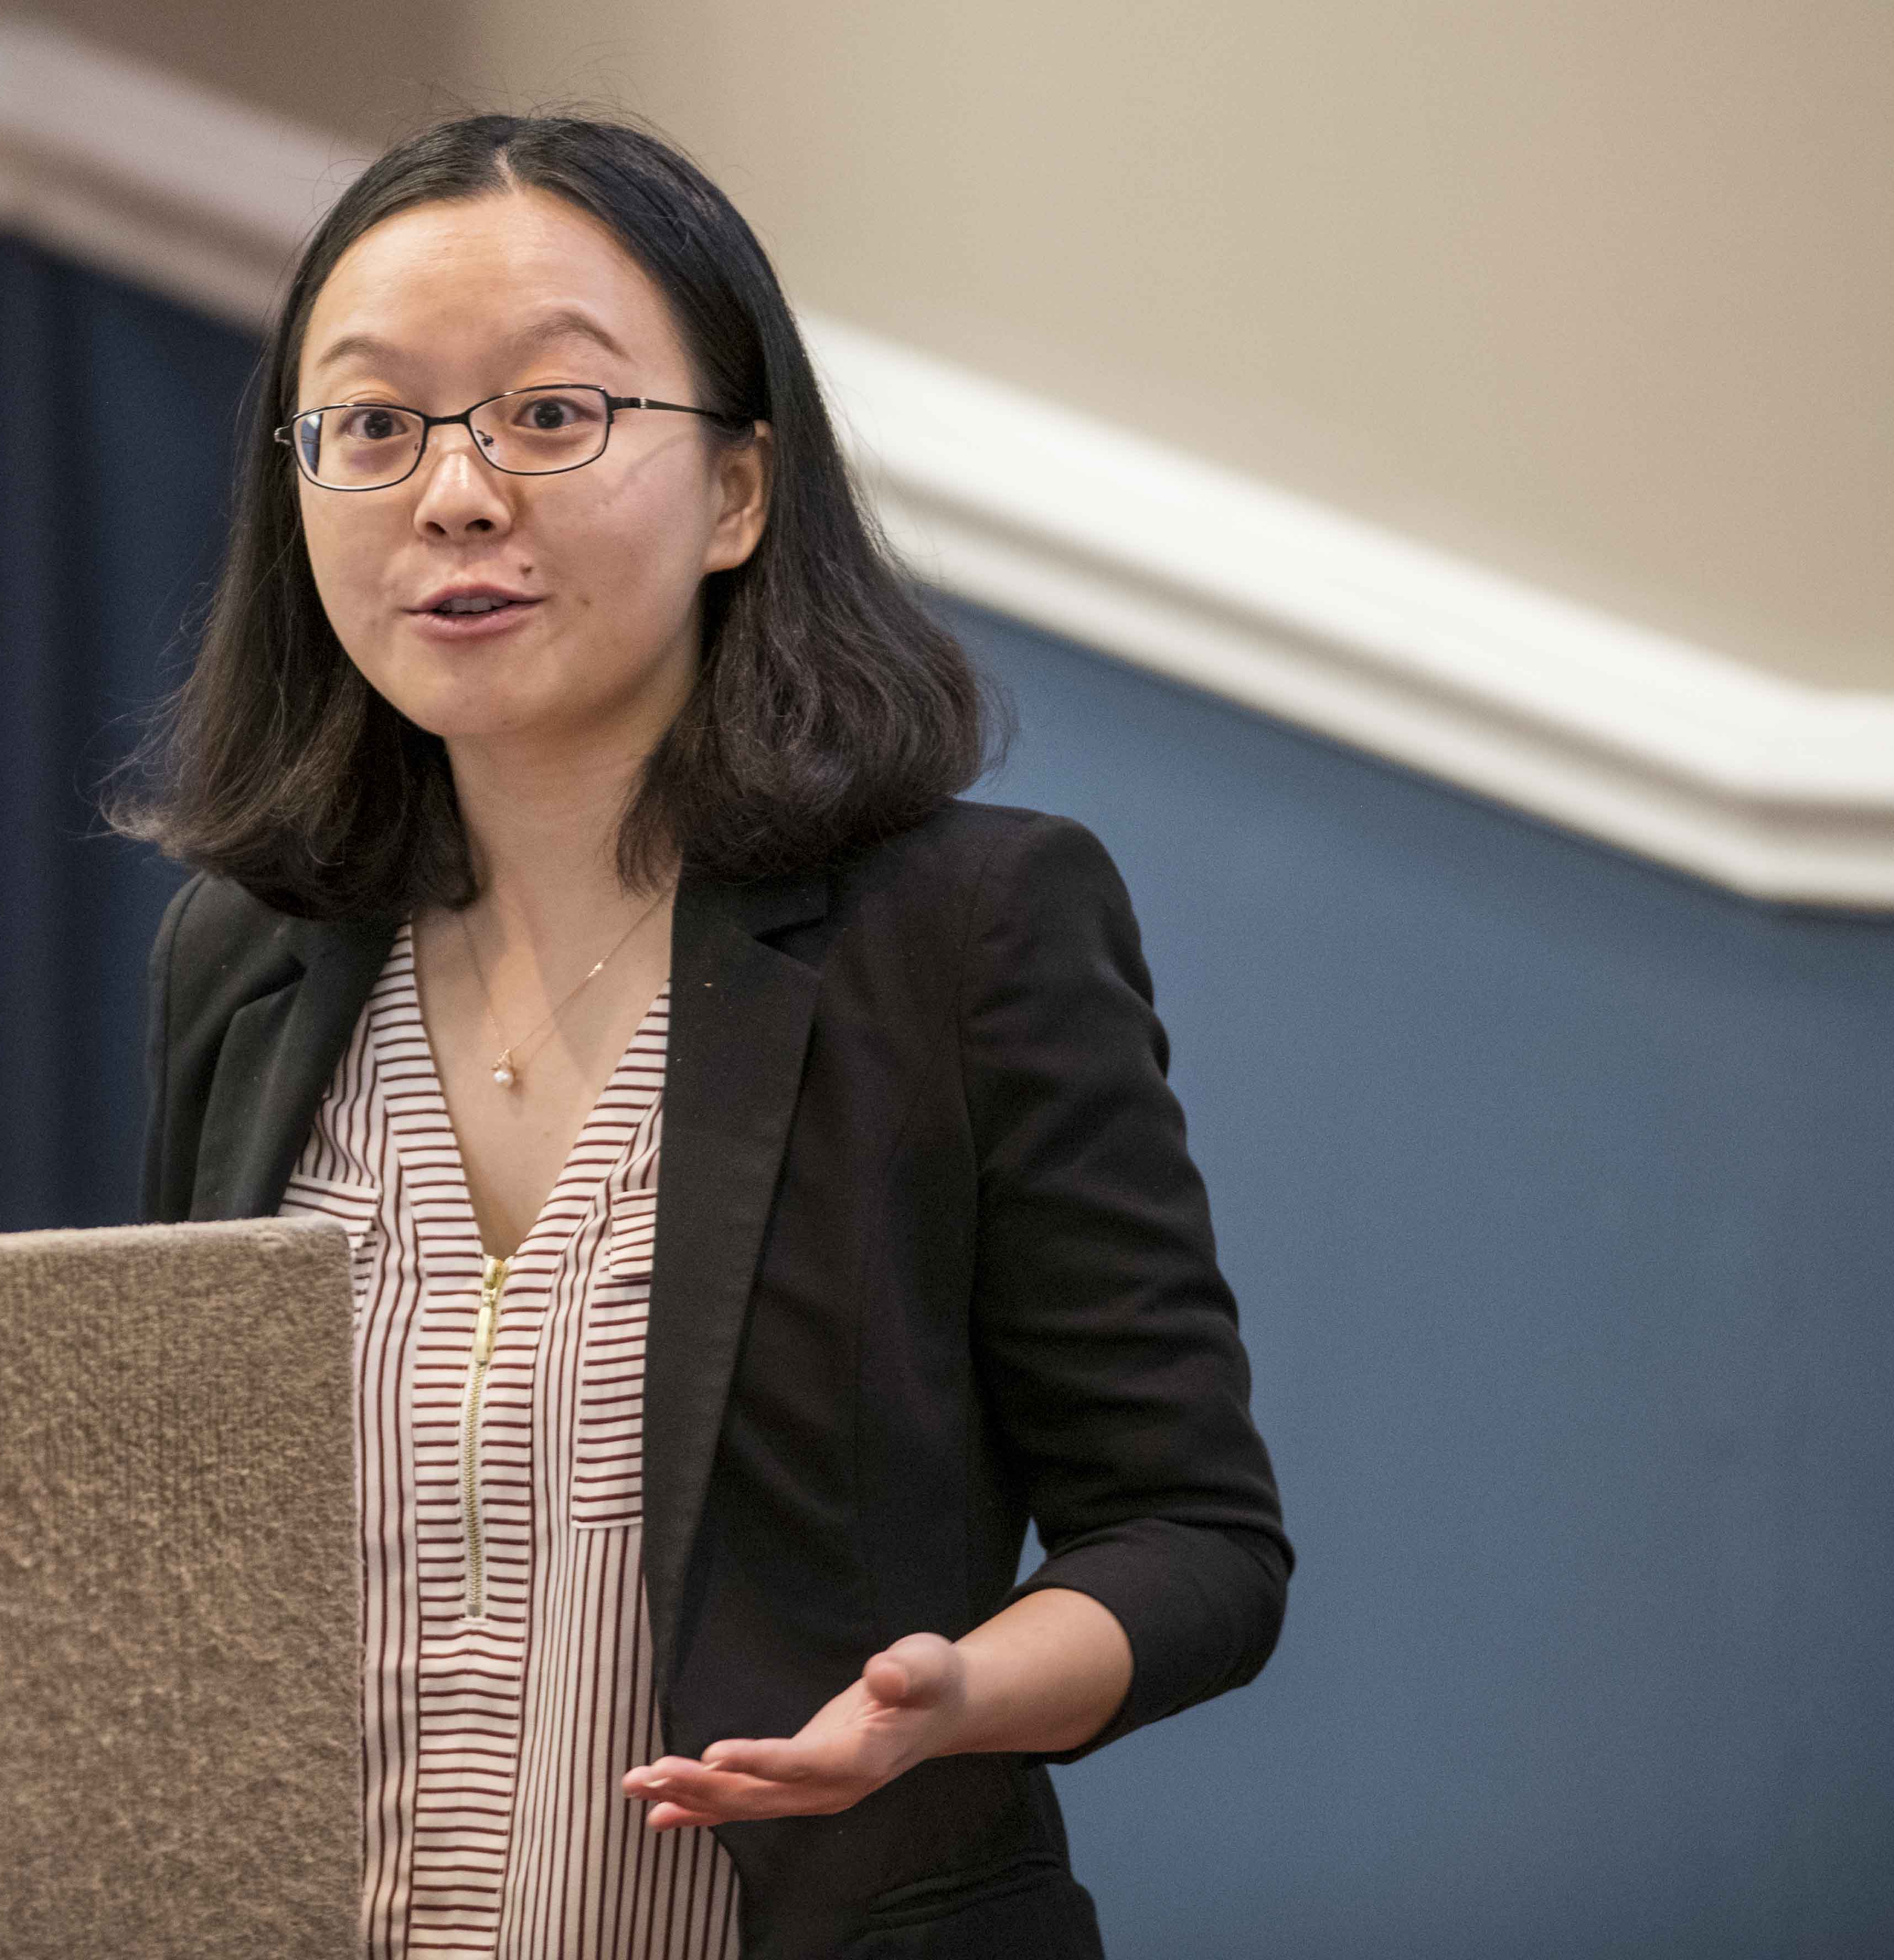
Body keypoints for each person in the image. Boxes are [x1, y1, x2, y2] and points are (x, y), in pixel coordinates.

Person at [122, 114, 1289, 1959]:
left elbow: (1196, 1542)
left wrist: (956, 1698)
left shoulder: (967, 931)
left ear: (739, 490)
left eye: (551, 414)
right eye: (373, 425)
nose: (454, 494)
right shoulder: (247, 956)